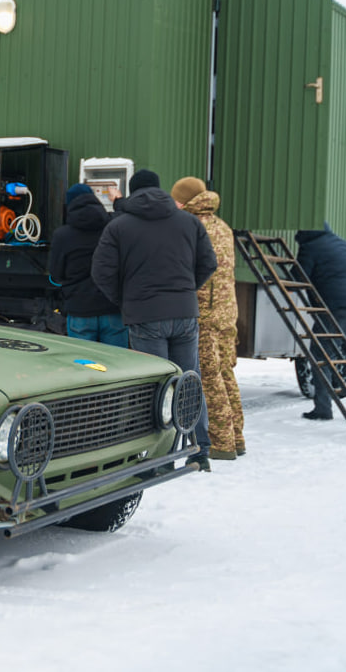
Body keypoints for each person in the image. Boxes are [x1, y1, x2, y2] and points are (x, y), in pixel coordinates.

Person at [92, 169, 218, 470]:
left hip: (145, 314)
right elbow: (208, 263)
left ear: (132, 193)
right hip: (185, 313)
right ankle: (199, 448)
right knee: (189, 379)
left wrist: (125, 300)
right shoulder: (189, 222)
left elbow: (101, 272)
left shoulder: (119, 226)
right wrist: (186, 291)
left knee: (157, 385)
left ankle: (160, 458)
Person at [171, 177, 244, 460]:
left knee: (210, 380)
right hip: (227, 312)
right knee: (225, 374)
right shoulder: (222, 226)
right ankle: (236, 436)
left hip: (207, 314)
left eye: (177, 199)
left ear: (186, 201)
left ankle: (221, 444)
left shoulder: (193, 227)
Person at [294, 223, 346, 421]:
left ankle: (323, 409)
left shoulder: (311, 246)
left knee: (320, 355)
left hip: (337, 308)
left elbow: (297, 276)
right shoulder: (343, 243)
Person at [48, 183, 128, 347]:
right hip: (112, 309)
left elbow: (55, 274)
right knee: (118, 365)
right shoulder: (113, 227)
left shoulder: (62, 235)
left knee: (83, 365)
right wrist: (118, 200)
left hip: (80, 310)